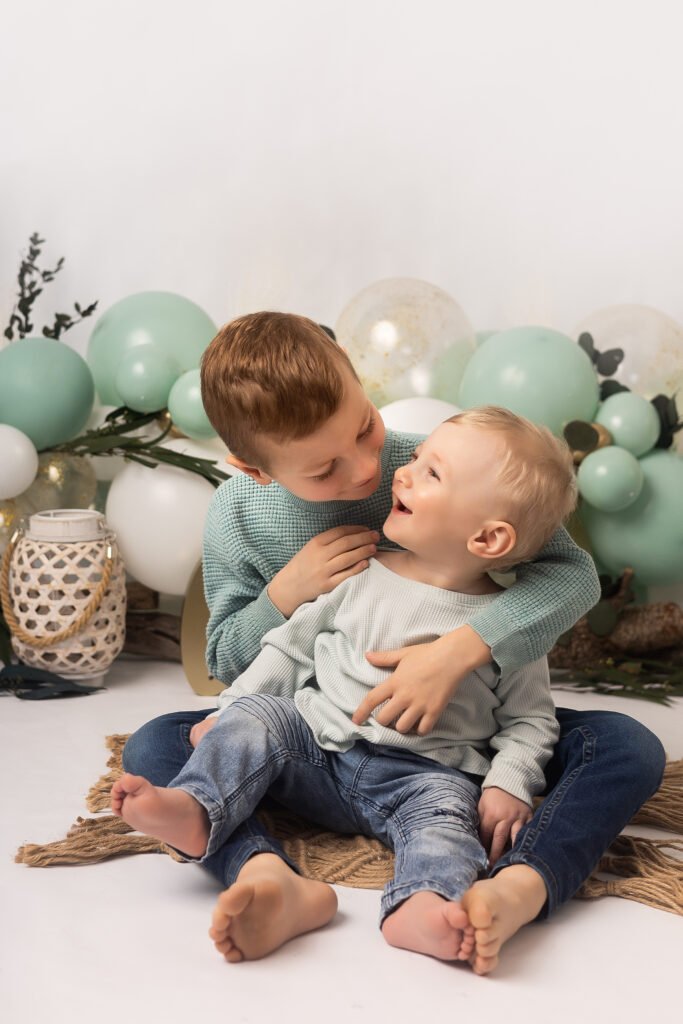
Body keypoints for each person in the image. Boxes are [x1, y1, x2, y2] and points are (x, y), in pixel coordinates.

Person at [120, 312, 665, 970]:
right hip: (316, 725)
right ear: (254, 468)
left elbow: (571, 579)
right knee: (156, 744)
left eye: (364, 427)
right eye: (324, 468)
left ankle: (520, 882)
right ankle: (263, 875)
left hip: (450, 738)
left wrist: (458, 652)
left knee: (625, 746)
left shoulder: (437, 464)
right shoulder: (238, 513)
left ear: (359, 381)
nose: (367, 470)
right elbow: (229, 660)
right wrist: (285, 595)